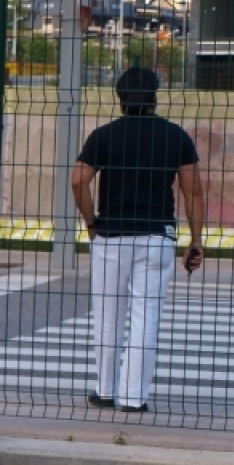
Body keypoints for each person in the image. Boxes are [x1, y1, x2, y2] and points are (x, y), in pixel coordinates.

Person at [71, 67, 205, 414]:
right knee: (146, 316)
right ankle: (133, 397)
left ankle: (104, 390)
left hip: (111, 235)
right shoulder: (176, 137)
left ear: (120, 98)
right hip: (156, 236)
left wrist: (90, 222)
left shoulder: (103, 136)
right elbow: (194, 192)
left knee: (108, 314)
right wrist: (196, 240)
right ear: (155, 97)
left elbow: (77, 181)